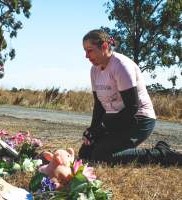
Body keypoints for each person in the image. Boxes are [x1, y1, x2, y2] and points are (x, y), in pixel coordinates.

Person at [78, 29, 182, 166]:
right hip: (115, 118)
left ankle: (163, 154)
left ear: (103, 46)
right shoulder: (94, 70)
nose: (86, 56)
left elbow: (132, 108)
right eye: (85, 51)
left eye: (90, 50)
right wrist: (93, 129)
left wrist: (102, 129)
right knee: (85, 154)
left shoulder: (121, 65)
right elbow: (99, 104)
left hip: (138, 119)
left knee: (101, 156)